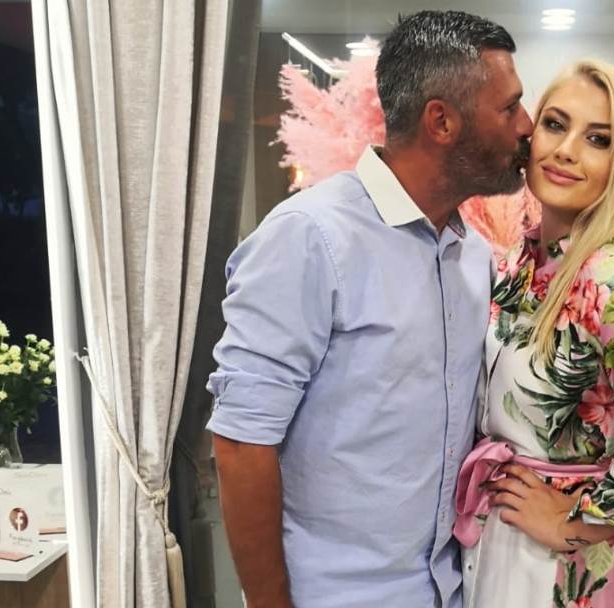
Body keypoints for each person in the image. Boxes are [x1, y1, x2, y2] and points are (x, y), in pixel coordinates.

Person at [205, 10, 533, 608]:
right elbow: (242, 443)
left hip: (447, 588)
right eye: (509, 107)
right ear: (442, 121)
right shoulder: (311, 238)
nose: (526, 125)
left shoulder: (472, 255)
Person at [455, 60, 614, 608]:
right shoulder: (522, 262)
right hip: (501, 531)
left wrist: (578, 522)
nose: (566, 150)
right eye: (555, 124)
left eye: (598, 139)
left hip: (559, 561)